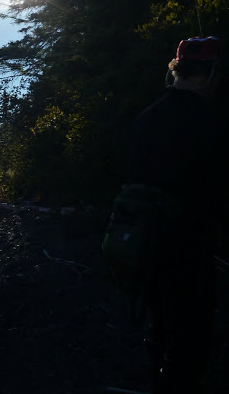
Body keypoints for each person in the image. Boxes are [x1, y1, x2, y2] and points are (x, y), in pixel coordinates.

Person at [128, 36, 227, 393]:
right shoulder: (210, 122)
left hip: (144, 241)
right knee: (192, 336)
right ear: (211, 74)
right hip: (188, 245)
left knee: (161, 324)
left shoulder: (146, 117)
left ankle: (160, 380)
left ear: (177, 70)